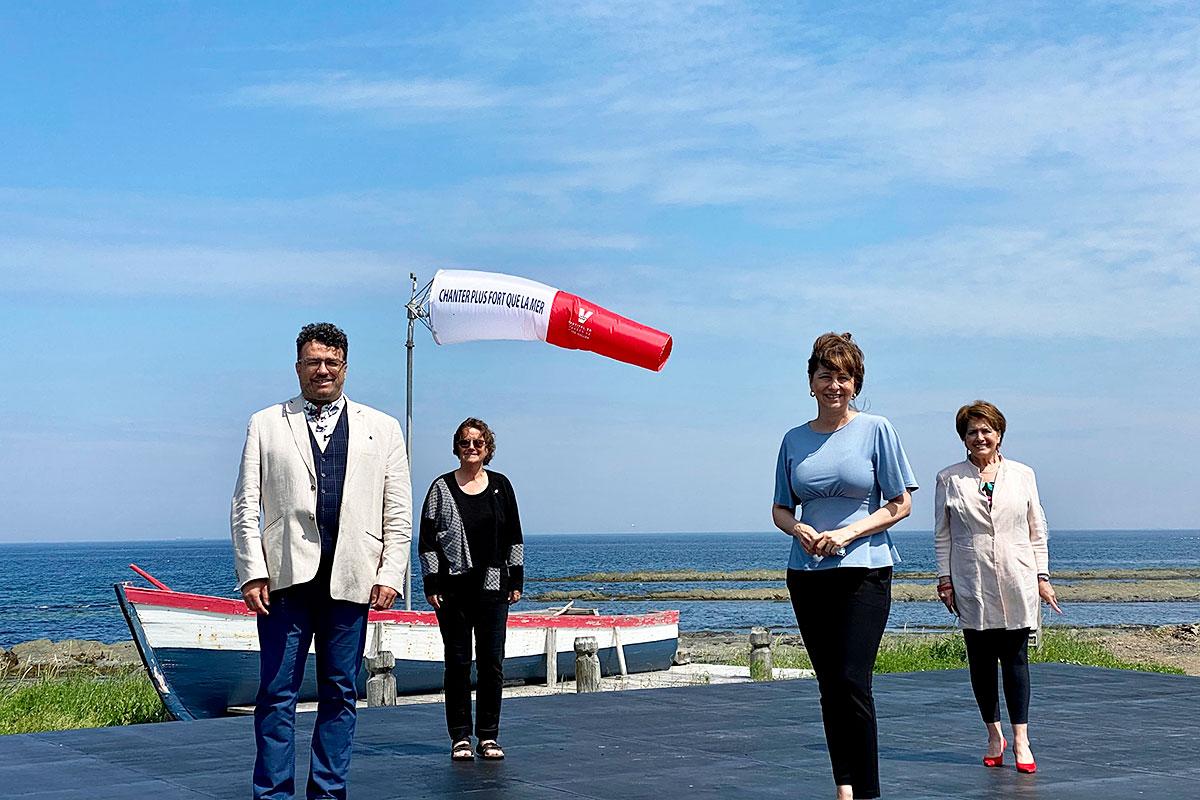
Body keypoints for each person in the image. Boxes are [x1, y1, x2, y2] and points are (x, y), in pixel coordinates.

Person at [231, 322, 412, 800]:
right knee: (275, 697)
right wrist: (252, 572)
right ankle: (272, 795)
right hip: (284, 584)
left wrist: (391, 571)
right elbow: (245, 505)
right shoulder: (265, 423)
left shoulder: (383, 428)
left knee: (340, 696)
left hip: (352, 580)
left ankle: (328, 793)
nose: (323, 370)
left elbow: (397, 510)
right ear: (298, 367)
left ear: (345, 367)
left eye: (331, 362)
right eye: (313, 362)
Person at [772, 332, 918, 800]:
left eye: (844, 376)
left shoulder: (877, 429)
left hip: (865, 570)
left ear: (855, 383)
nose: (835, 384)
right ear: (810, 382)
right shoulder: (792, 440)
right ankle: (845, 788)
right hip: (808, 575)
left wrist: (848, 533)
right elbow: (780, 508)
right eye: (825, 375)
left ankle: (868, 791)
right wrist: (800, 530)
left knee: (854, 679)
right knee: (830, 685)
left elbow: (900, 504)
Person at [933, 400, 1061, 775]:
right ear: (964, 438)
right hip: (970, 577)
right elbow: (942, 534)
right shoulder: (948, 478)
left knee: (1016, 658)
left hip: (1016, 574)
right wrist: (945, 579)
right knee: (982, 662)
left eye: (986, 430)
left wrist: (1042, 576)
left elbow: (1038, 530)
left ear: (999, 434)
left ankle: (1021, 739)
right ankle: (994, 735)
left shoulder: (1023, 474)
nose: (980, 437)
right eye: (972, 432)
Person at [418, 417, 524, 761]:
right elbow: (428, 541)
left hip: (494, 588)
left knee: (492, 662)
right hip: (452, 591)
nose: (472, 448)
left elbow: (513, 536)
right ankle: (460, 736)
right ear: (457, 447)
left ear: (488, 447)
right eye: (465, 443)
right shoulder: (440, 488)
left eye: (478, 442)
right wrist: (431, 583)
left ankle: (489, 737)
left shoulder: (501, 486)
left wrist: (516, 579)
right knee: (458, 663)